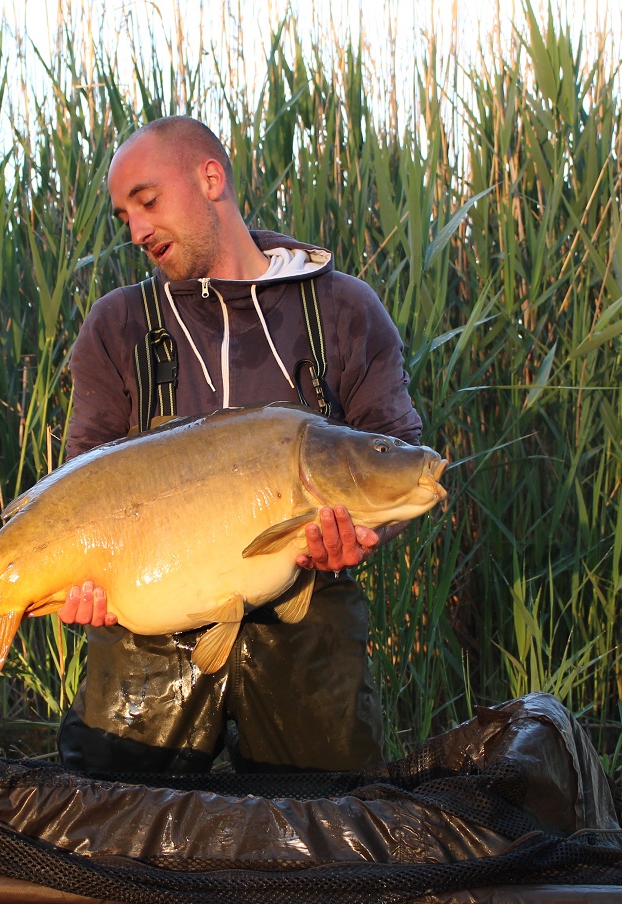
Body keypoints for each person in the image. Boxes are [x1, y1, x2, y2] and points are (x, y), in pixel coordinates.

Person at [56, 116, 423, 774]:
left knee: (327, 830)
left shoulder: (342, 309)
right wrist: (83, 585)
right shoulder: (118, 325)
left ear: (210, 177)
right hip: (150, 628)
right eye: (125, 217)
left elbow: (392, 452)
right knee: (114, 836)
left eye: (147, 201)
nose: (137, 231)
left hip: (303, 624)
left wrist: (363, 535)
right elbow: (82, 479)